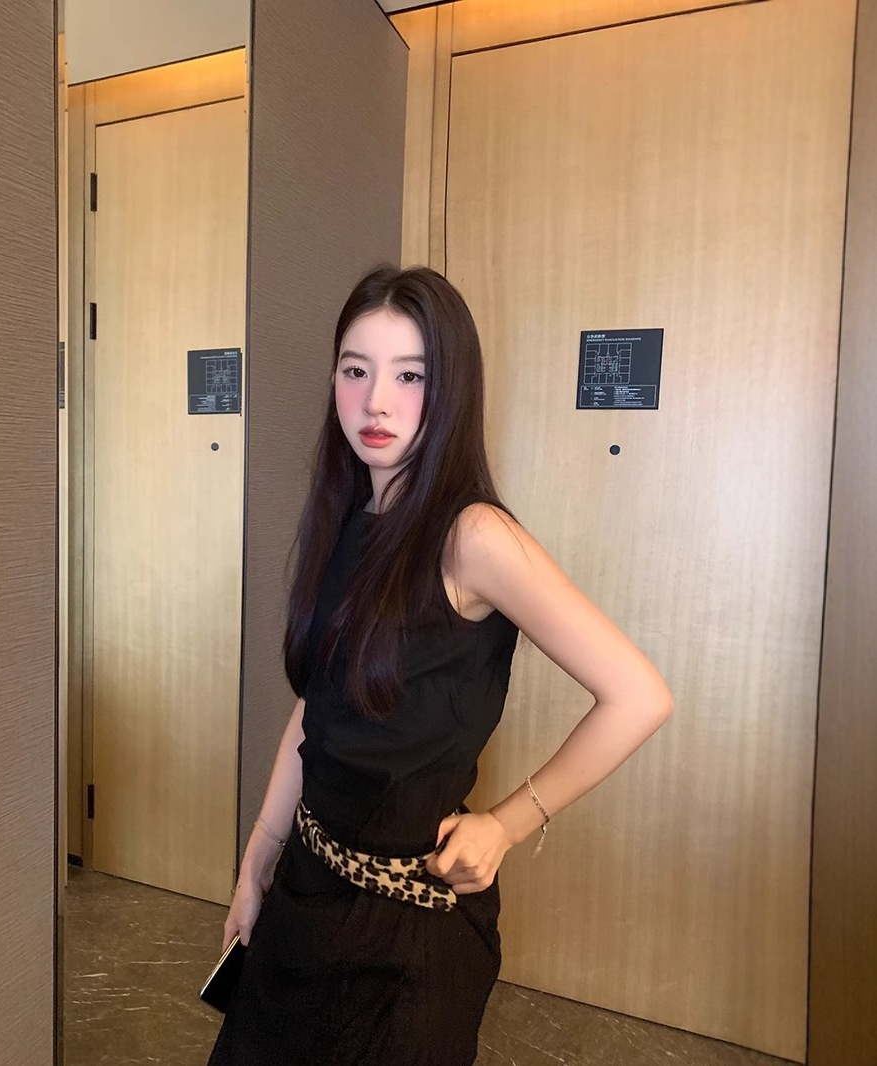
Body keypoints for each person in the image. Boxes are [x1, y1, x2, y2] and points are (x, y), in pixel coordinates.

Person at [207, 265, 673, 1066]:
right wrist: (256, 863)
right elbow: (320, 708)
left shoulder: (474, 537)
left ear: (451, 388)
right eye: (356, 370)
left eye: (410, 375)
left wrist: (508, 823)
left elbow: (639, 695)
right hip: (306, 891)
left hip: (406, 931)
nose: (376, 402)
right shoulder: (349, 515)